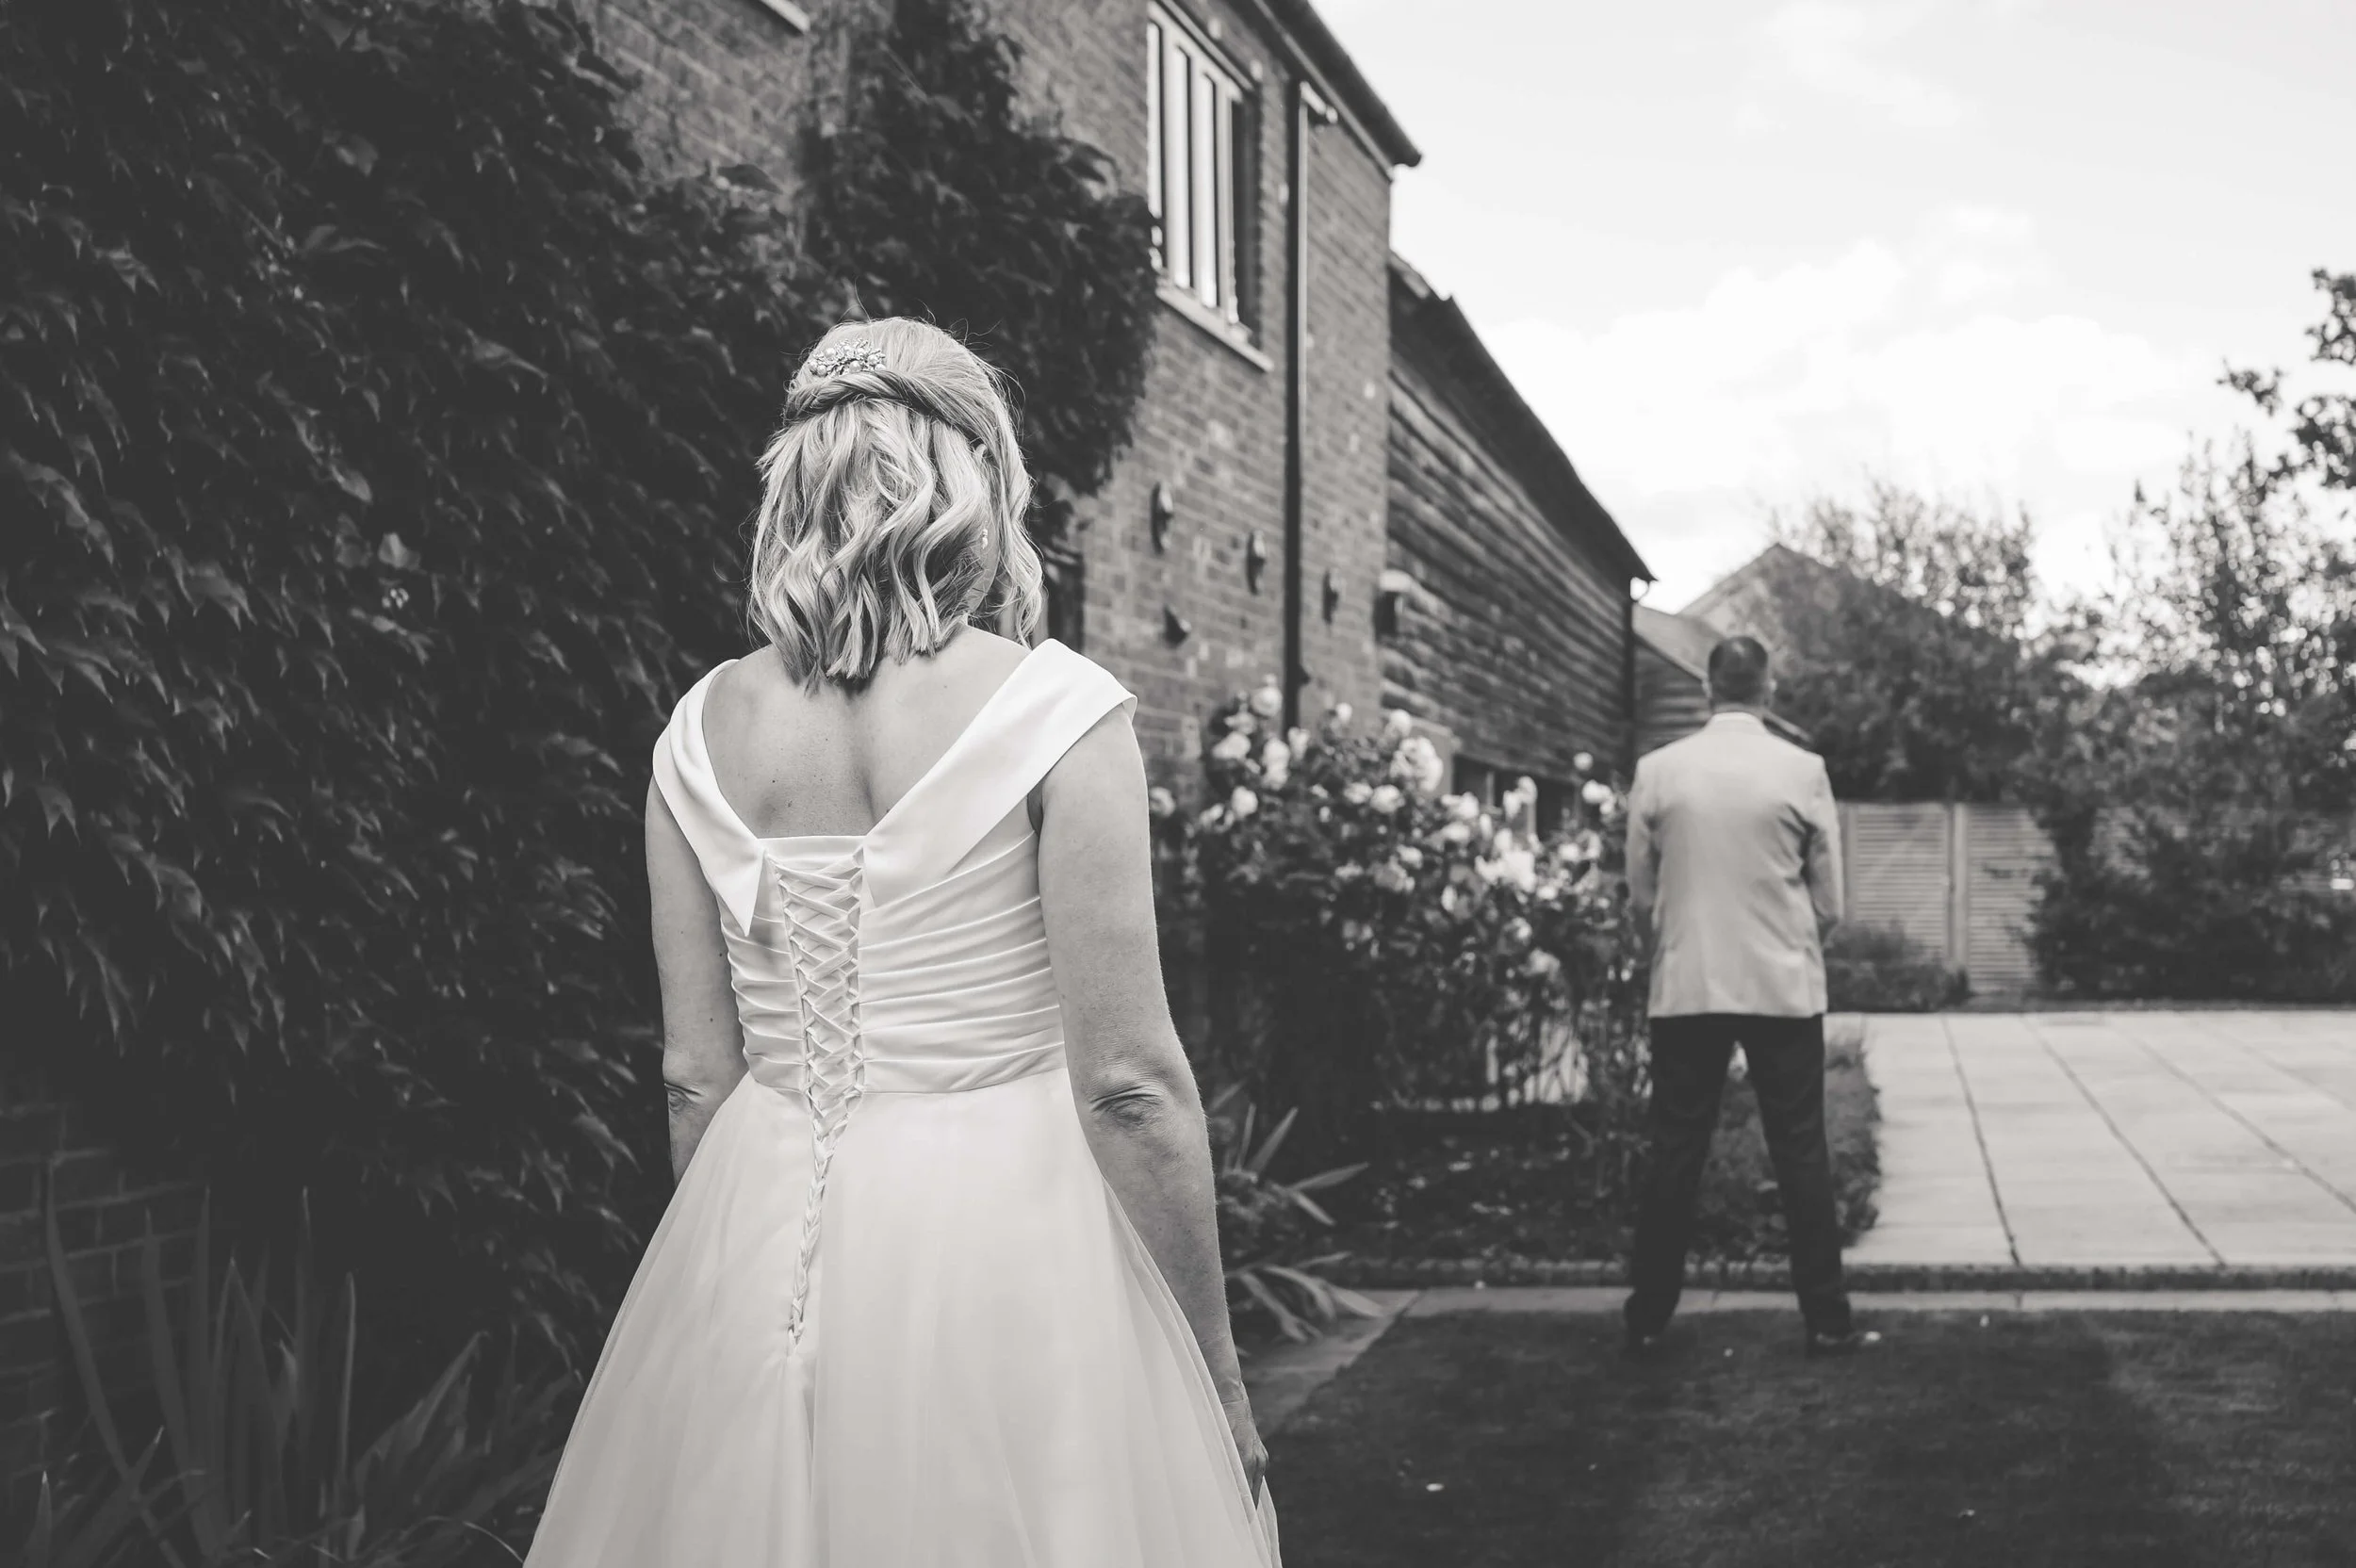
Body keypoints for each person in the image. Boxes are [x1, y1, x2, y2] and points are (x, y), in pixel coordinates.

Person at [525, 319, 1280, 1565]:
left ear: (800, 482)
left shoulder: (692, 737)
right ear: (976, 484)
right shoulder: (1057, 712)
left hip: (761, 1235)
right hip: (1010, 1244)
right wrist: (1217, 1380)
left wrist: (734, 1291)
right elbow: (1132, 1087)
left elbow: (694, 1078)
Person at [1620, 635, 1876, 1358]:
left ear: (1708, 687)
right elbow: (1830, 900)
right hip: (1781, 985)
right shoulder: (1802, 771)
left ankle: (1647, 1319)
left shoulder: (1659, 770)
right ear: (1768, 687)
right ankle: (1827, 1319)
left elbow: (1642, 892)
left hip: (1688, 982)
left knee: (1676, 1150)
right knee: (1800, 1151)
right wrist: (1790, 937)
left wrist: (1669, 940)